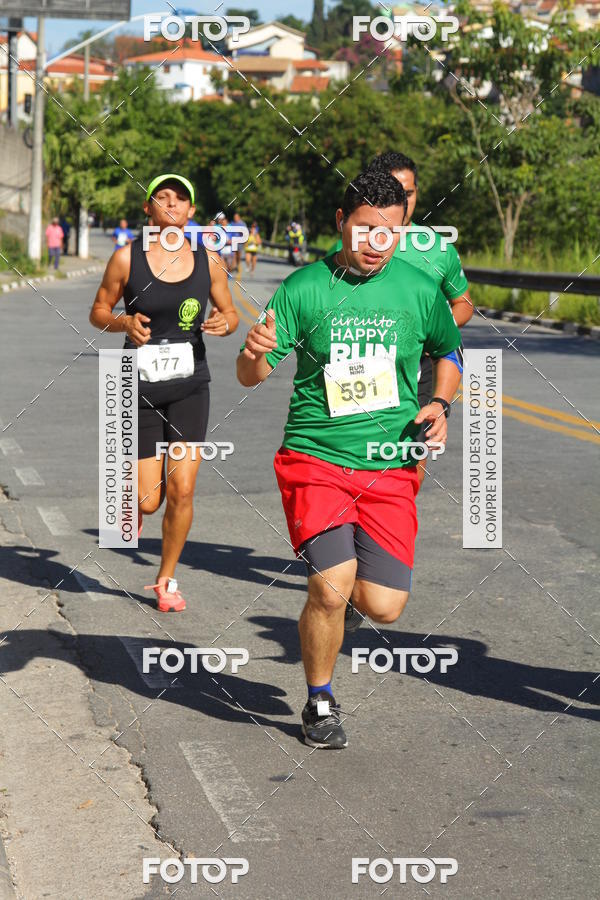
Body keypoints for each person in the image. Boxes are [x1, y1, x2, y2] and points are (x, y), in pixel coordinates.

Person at [237, 171, 462, 748]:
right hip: (316, 458)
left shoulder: (419, 288)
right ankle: (319, 701)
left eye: (387, 232)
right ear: (341, 223)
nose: (374, 243)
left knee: (384, 606)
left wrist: (439, 402)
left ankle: (340, 617)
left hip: (390, 465)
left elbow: (448, 352)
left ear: (403, 229)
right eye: (363, 229)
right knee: (330, 586)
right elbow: (252, 374)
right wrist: (253, 353)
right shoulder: (305, 286)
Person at [90, 173, 239, 612]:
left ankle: (166, 579)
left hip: (190, 386)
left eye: (181, 199)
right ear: (148, 209)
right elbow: (99, 310)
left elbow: (230, 313)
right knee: (148, 501)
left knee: (184, 490)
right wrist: (123, 323)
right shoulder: (125, 259)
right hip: (136, 386)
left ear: (191, 212)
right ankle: (134, 500)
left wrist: (223, 324)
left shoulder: (209, 260)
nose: (171, 205)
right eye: (163, 197)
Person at [329, 151, 472, 485]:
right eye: (397, 192)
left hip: (417, 365)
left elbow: (463, 304)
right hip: (358, 363)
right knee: (349, 458)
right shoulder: (356, 240)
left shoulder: (436, 248)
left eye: (410, 193)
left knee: (410, 465)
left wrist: (430, 329)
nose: (405, 202)